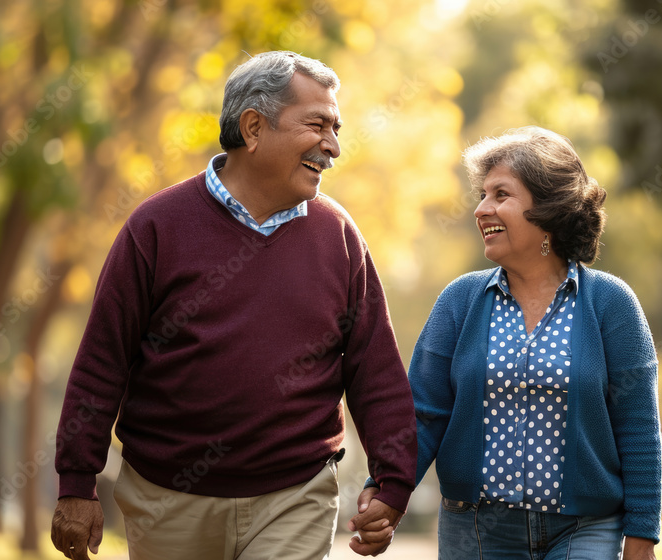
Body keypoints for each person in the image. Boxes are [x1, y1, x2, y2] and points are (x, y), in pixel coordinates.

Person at [51, 51, 416, 560]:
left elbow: (375, 370)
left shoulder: (338, 235)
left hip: (295, 497)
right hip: (166, 499)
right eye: (317, 125)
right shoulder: (155, 227)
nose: (333, 146)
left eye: (336, 128)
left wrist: (394, 481)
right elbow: (102, 361)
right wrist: (75, 481)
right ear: (253, 128)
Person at [350, 127, 662, 559]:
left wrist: (642, 536)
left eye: (501, 194)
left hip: (584, 530)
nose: (481, 209)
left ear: (549, 208)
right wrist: (388, 491)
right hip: (476, 530)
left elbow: (638, 428)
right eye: (482, 194)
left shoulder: (611, 304)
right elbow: (424, 415)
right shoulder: (459, 301)